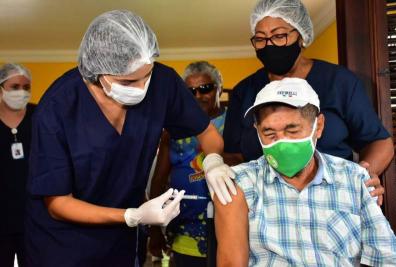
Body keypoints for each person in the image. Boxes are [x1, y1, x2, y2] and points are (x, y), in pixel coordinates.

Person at [24, 10, 234, 267]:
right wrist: (132, 215)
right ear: (96, 73)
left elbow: (208, 132)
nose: (142, 87)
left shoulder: (162, 82)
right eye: (128, 81)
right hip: (63, 245)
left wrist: (212, 161)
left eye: (147, 75)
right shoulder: (57, 108)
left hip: (122, 243)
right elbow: (57, 203)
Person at [215, 77, 396, 267]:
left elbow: (386, 258)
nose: (281, 143)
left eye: (292, 130)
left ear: (318, 126)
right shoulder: (240, 183)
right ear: (257, 131)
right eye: (269, 134)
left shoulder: (354, 179)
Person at [222, 0, 392, 205]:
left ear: (301, 36)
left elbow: (380, 142)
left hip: (334, 198)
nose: (269, 45)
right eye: (260, 39)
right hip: (267, 204)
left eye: (279, 36)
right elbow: (232, 155)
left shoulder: (339, 82)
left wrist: (363, 174)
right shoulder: (244, 92)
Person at [149, 61, 226, 267]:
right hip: (184, 234)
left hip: (227, 231)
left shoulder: (233, 124)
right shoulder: (172, 131)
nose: (198, 96)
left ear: (218, 88)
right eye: (190, 91)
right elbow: (158, 181)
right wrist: (154, 230)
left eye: (205, 88)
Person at [0, 63, 34, 267]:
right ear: (1, 88)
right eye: (15, 86)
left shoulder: (40, 117)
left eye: (26, 87)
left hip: (34, 216)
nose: (21, 92)